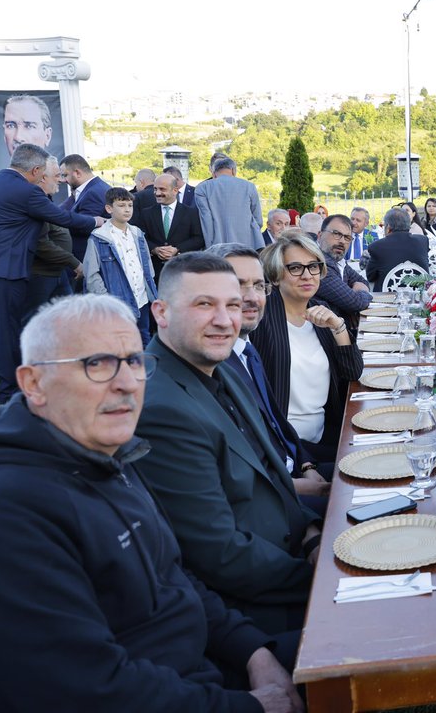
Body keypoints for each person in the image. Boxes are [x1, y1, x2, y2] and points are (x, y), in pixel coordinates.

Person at [0, 295, 303, 713]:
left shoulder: (105, 453)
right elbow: (79, 691)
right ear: (33, 383)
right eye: (97, 364)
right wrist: (249, 706)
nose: (125, 382)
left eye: (133, 361)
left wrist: (256, 652)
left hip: (200, 669)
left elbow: (176, 577)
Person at [135, 253, 320, 638]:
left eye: (232, 305)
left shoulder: (219, 369)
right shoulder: (161, 407)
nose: (224, 320)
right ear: (161, 312)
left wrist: (313, 533)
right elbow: (218, 554)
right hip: (256, 607)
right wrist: (322, 578)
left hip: (289, 551)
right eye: (204, 304)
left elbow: (272, 476)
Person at [0, 145, 100, 405]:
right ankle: (8, 393)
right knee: (6, 331)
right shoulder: (26, 191)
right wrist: (96, 221)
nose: (43, 180)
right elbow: (64, 219)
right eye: (42, 175)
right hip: (3, 272)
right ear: (36, 169)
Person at [207, 243, 330, 512]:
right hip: (275, 498)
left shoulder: (246, 351)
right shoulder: (215, 363)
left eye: (258, 286)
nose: (251, 297)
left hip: (296, 464)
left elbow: (274, 426)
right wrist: (299, 492)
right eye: (239, 286)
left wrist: (305, 465)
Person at [254, 232, 364, 464]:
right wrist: (301, 463)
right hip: (287, 445)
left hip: (325, 433)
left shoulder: (320, 311)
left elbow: (353, 373)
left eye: (313, 266)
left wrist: (338, 327)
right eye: (295, 268)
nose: (307, 275)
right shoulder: (260, 321)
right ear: (275, 277)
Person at [83, 187, 158, 345]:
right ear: (109, 208)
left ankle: (145, 369)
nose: (127, 210)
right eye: (121, 205)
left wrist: (149, 286)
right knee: (120, 341)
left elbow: (146, 263)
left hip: (141, 298)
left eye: (130, 205)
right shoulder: (99, 237)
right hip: (117, 300)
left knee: (144, 337)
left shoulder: (137, 233)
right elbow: (91, 274)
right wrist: (105, 299)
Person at [25, 155, 79, 323]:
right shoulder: (34, 203)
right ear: (42, 177)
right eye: (57, 176)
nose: (61, 180)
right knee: (34, 322)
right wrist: (74, 262)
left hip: (57, 273)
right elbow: (40, 243)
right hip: (41, 276)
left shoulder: (46, 201)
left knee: (68, 321)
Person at [132, 172, 205, 280]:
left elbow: (198, 238)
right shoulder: (146, 213)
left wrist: (177, 250)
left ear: (175, 190)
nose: (157, 193)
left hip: (183, 271)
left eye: (162, 189)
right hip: (156, 273)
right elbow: (141, 237)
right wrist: (155, 249)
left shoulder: (191, 213)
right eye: (155, 189)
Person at [315, 214, 373, 338]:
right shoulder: (318, 264)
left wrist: (356, 294)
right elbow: (356, 303)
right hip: (325, 338)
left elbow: (362, 281)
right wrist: (361, 293)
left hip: (341, 332)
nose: (342, 241)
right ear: (320, 235)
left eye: (347, 237)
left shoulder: (338, 261)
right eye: (336, 234)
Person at [194, 156, 264, 249]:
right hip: (247, 243)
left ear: (214, 173)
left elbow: (206, 219)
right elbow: (258, 219)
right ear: (233, 170)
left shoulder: (202, 188)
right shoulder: (249, 186)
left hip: (218, 244)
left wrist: (209, 245)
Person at [60, 153, 113, 262]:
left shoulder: (94, 192)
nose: (63, 180)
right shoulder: (91, 189)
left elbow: (83, 225)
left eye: (65, 175)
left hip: (86, 258)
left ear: (77, 173)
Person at [365, 208, 430, 291]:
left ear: (388, 227)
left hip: (387, 300)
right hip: (418, 297)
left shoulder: (377, 246)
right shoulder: (423, 241)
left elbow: (370, 277)